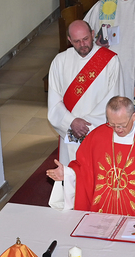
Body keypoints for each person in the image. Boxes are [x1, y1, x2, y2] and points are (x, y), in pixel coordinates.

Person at [46, 96, 135, 221]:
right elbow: (83, 169)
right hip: (100, 215)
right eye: (112, 124)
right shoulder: (97, 137)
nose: (117, 129)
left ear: (134, 117)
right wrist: (67, 174)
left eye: (122, 125)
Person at [48, 20, 124, 166]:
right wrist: (71, 122)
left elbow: (115, 101)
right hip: (70, 131)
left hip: (99, 131)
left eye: (85, 39)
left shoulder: (110, 60)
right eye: (76, 41)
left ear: (93, 34)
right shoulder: (60, 61)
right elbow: (54, 101)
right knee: (73, 179)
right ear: (69, 40)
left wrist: (87, 127)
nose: (82, 45)